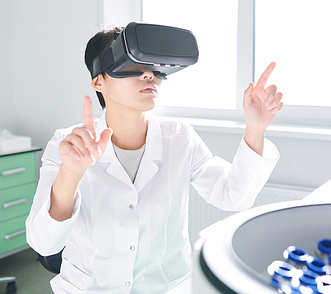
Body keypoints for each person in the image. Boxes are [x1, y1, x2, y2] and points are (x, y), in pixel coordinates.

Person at [26, 27, 283, 293]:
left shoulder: (180, 138)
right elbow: (44, 244)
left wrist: (256, 127)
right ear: (98, 81)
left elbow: (233, 195)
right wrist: (72, 173)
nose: (148, 74)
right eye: (131, 64)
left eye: (152, 65)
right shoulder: (67, 144)